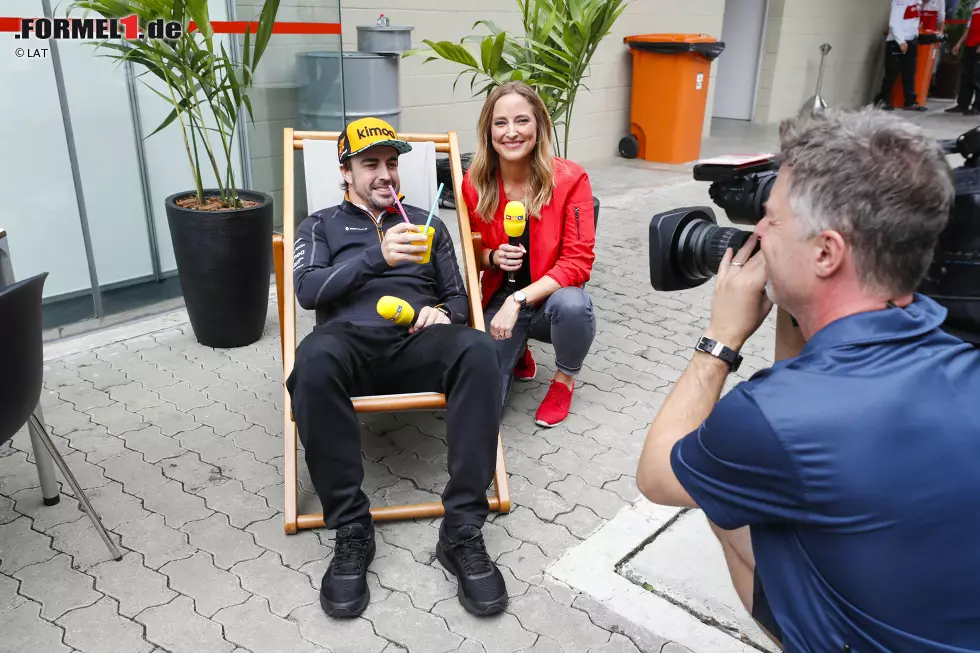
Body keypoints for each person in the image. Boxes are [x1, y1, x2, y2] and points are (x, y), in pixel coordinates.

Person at [636, 108, 980, 651]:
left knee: (727, 499)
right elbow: (807, 390)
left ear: (826, 252)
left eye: (770, 219)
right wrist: (799, 304)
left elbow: (658, 475)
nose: (758, 236)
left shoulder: (770, 420)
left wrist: (719, 341)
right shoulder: (958, 350)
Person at [286, 117, 508, 619]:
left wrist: (445, 314)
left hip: (420, 345)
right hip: (350, 348)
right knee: (312, 358)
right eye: (371, 164)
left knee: (477, 349)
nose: (385, 173)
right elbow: (307, 291)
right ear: (346, 172)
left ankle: (462, 531)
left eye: (392, 162)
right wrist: (376, 257)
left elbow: (457, 295)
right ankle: (351, 527)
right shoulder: (320, 224)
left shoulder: (429, 224)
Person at [461, 81, 597, 428]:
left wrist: (518, 299)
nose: (511, 133)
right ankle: (517, 350)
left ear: (538, 126)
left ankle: (564, 381)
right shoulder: (474, 183)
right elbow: (472, 252)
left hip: (547, 300)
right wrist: (492, 258)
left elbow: (578, 263)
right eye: (500, 123)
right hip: (499, 293)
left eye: (522, 121)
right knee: (481, 405)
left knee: (574, 305)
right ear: (488, 130)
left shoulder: (570, 179)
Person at [876, 0, 928, 111]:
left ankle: (910, 101)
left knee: (910, 72)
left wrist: (915, 36)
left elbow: (913, 21)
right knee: (892, 72)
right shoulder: (901, 1)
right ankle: (882, 99)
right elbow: (894, 22)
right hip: (897, 41)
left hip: (911, 40)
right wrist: (901, 41)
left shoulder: (917, 1)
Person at [946, 0, 980, 114]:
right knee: (966, 75)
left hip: (978, 45)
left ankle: (977, 107)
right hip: (970, 44)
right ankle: (962, 104)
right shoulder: (977, 4)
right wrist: (959, 43)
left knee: (977, 76)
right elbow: (969, 27)